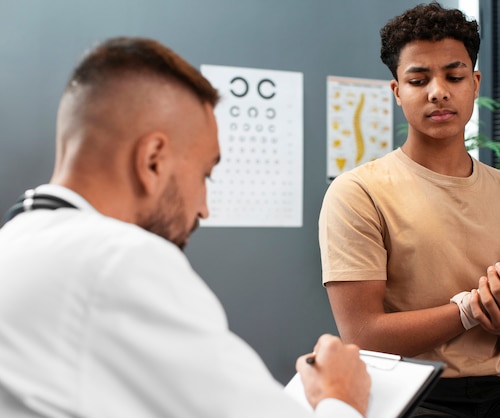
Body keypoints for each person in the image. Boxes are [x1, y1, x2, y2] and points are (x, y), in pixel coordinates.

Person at [0, 37, 371, 418]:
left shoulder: (16, 245)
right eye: (205, 174)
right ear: (153, 161)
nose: (204, 209)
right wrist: (340, 396)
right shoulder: (119, 261)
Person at [318, 3, 500, 417]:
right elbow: (364, 334)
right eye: (419, 79)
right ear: (397, 90)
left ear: (474, 83)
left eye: (454, 76)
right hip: (409, 390)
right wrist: (472, 308)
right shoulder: (358, 192)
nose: (438, 91)